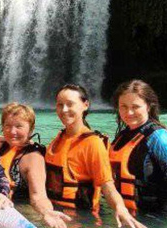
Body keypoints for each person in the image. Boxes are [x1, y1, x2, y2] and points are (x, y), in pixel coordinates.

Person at [0, 75, 71, 228]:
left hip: (20, 213)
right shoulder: (2, 143)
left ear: (31, 129)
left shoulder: (33, 157)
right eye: (7, 126)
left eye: (19, 127)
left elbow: (38, 197)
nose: (12, 131)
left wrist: (46, 213)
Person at [45, 84, 145, 228]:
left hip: (80, 220)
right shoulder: (59, 138)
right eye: (60, 105)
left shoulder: (92, 143)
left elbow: (107, 185)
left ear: (85, 105)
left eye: (70, 104)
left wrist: (120, 209)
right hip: (54, 217)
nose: (64, 110)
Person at [109, 80, 167, 216]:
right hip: (128, 214)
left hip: (153, 216)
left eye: (136, 107)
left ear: (149, 106)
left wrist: (162, 220)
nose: (129, 112)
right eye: (123, 106)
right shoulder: (122, 135)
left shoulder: (160, 138)